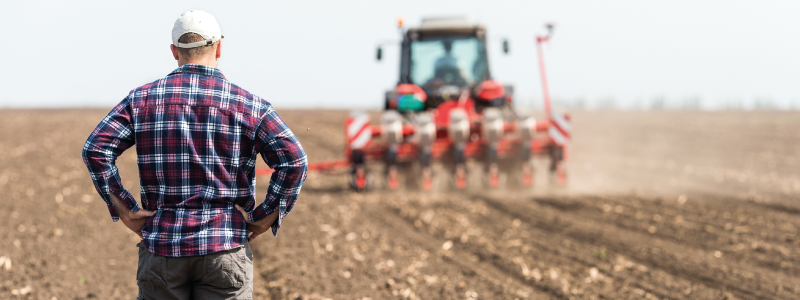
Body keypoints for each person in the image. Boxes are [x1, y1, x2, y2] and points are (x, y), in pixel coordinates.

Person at [82, 10, 308, 300]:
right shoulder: (250, 105)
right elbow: (294, 160)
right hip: (225, 249)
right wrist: (267, 215)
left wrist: (124, 209)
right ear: (220, 48)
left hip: (163, 249)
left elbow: (96, 148)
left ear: (174, 51)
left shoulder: (140, 100)